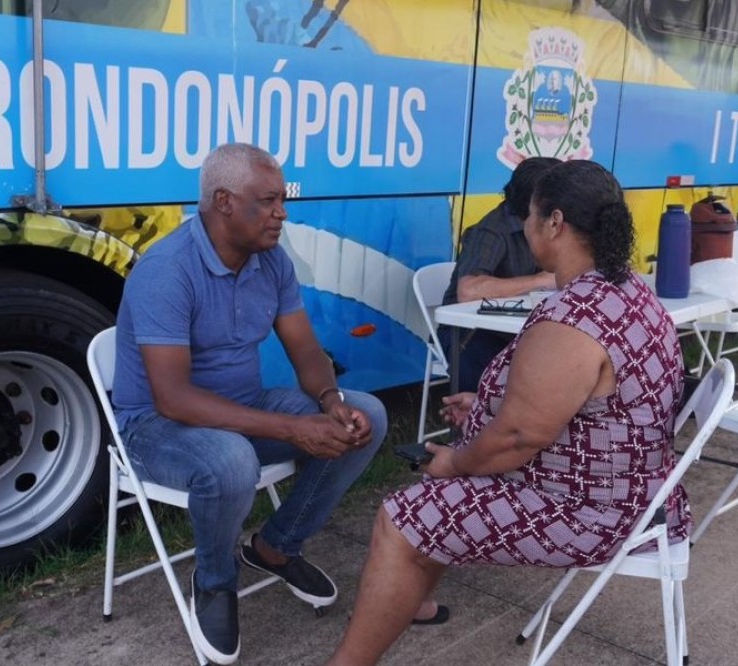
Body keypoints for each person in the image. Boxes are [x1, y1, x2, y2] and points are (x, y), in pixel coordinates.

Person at [327, 160, 686, 665]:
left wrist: (457, 460)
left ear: (555, 223)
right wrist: (487, 405)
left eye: (532, 215)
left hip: (594, 512)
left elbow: (517, 438)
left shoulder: (573, 317)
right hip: (642, 493)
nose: (524, 225)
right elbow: (592, 405)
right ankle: (410, 598)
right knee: (434, 497)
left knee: (400, 517)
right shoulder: (629, 288)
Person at [112, 143, 387, 665]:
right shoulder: (167, 270)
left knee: (364, 416)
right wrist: (291, 429)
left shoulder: (271, 261)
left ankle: (274, 549)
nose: (282, 212)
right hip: (155, 426)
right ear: (224, 202)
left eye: (282, 199)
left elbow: (306, 350)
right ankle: (215, 581)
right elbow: (172, 399)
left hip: (242, 406)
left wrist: (330, 401)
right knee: (230, 461)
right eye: (268, 201)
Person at [438, 156, 560, 392]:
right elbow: (468, 290)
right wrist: (540, 280)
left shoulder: (544, 228)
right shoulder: (493, 230)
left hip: (511, 329)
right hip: (468, 336)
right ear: (535, 201)